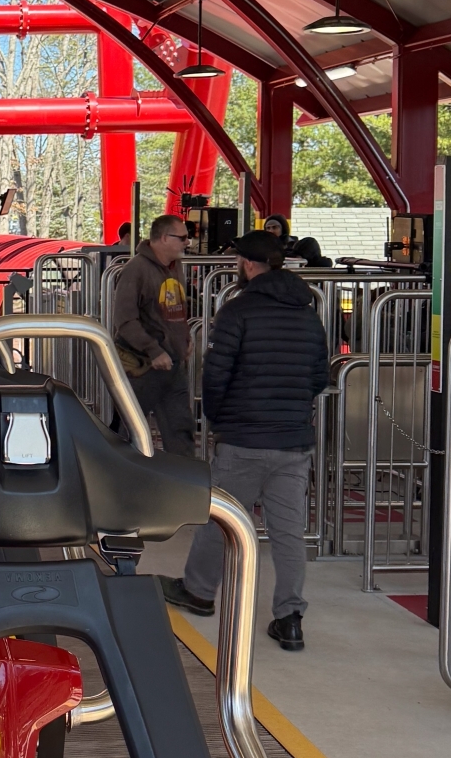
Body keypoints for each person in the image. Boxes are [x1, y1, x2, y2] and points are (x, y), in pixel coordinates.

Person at [161, 231, 330, 652]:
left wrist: (219, 420)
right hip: (293, 439)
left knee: (222, 518)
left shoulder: (237, 311)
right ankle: (290, 618)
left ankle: (199, 591)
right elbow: (318, 376)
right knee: (288, 531)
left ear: (248, 265)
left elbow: (216, 375)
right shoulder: (308, 314)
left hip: (244, 436)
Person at [111, 213, 194, 455]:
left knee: (181, 430)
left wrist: (185, 338)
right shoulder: (135, 269)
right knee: (128, 432)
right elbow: (125, 320)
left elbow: (175, 310)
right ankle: (117, 475)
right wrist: (153, 350)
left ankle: (183, 477)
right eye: (182, 238)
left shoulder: (175, 266)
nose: (188, 242)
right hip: (142, 367)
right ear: (165, 238)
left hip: (172, 364)